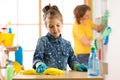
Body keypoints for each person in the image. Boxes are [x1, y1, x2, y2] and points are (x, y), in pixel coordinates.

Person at [32, 4, 87, 73]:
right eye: (51, 26)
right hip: (46, 77)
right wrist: (39, 64)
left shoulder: (67, 44)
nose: (55, 29)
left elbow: (72, 61)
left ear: (62, 23)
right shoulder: (42, 41)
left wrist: (76, 66)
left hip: (62, 77)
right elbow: (37, 58)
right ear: (46, 26)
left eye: (58, 25)